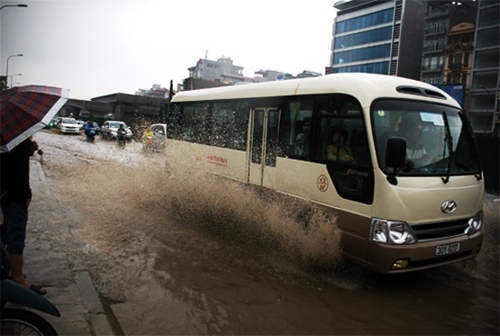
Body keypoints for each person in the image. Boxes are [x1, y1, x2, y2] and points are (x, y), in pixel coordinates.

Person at [0, 137, 46, 295]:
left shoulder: (8, 135)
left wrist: (29, 148)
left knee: (5, 234)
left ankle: (7, 268)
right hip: (14, 195)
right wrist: (27, 193)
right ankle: (17, 278)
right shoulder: (14, 135)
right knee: (15, 236)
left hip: (6, 193)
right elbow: (16, 167)